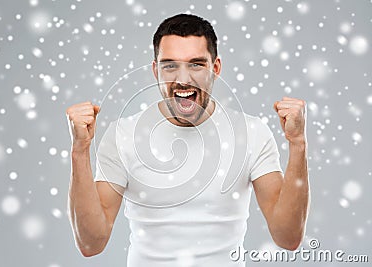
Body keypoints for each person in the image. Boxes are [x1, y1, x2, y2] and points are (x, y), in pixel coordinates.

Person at [66, 14, 309, 266]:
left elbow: (288, 237)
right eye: (170, 65)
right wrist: (80, 151)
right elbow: (91, 243)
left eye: (196, 64)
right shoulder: (123, 135)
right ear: (155, 70)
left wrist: (298, 143)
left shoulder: (251, 133)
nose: (183, 79)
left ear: (215, 68)